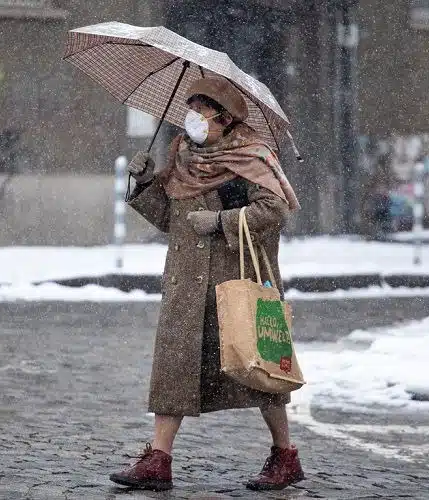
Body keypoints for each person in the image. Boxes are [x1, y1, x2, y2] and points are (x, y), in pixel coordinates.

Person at [109, 77, 304, 492]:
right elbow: (170, 220)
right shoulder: (182, 155)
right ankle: (158, 459)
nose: (192, 116)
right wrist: (144, 184)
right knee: (173, 367)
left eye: (202, 108)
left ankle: (285, 456)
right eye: (190, 106)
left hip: (238, 281)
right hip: (186, 281)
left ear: (226, 118)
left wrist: (221, 221)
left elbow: (275, 211)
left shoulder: (252, 156)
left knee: (259, 367)